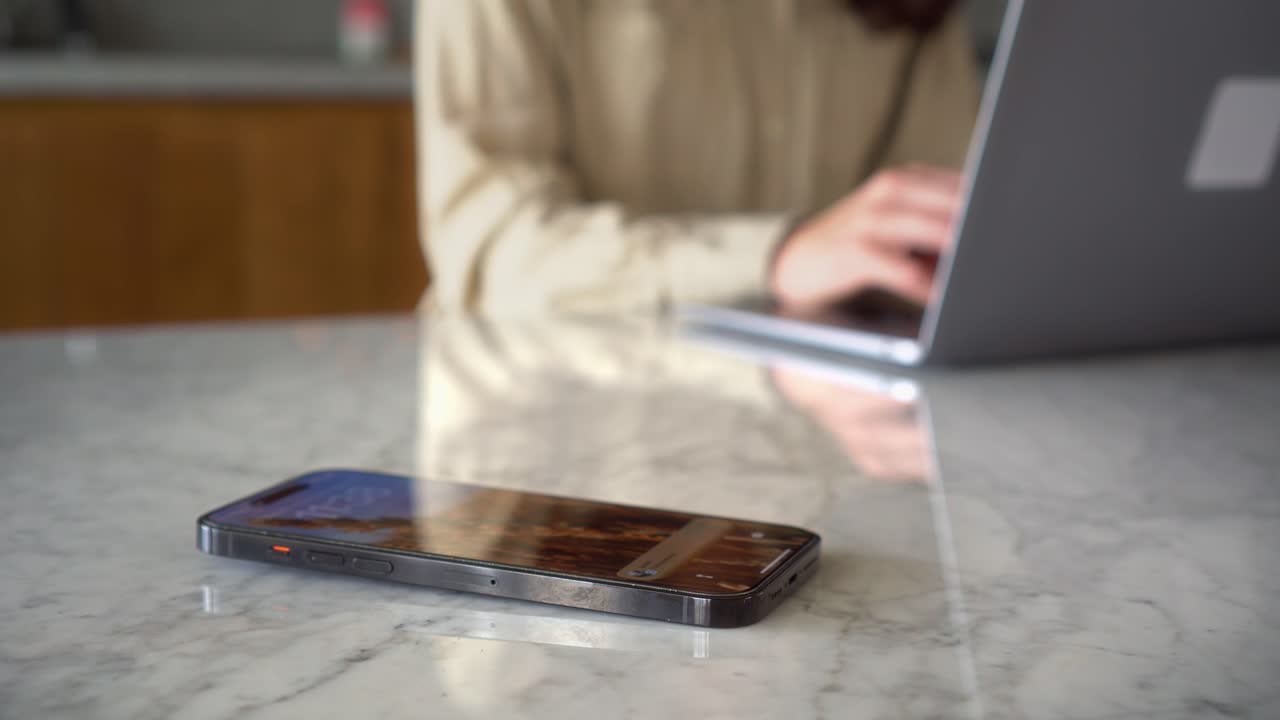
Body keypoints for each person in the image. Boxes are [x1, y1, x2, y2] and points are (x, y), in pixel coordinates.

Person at [416, 0, 980, 314]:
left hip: (831, 434)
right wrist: (776, 258)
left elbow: (948, 235)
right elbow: (492, 252)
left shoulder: (915, 13)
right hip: (545, 437)